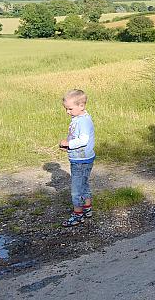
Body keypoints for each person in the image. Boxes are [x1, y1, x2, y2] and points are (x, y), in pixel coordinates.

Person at [58, 89, 96, 227]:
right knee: (83, 184)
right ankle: (87, 208)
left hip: (81, 160)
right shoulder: (79, 118)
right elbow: (76, 137)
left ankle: (78, 215)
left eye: (70, 109)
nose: (67, 112)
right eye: (66, 109)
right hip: (82, 158)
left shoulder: (83, 121)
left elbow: (83, 140)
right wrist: (68, 147)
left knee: (76, 190)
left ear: (81, 106)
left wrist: (69, 144)